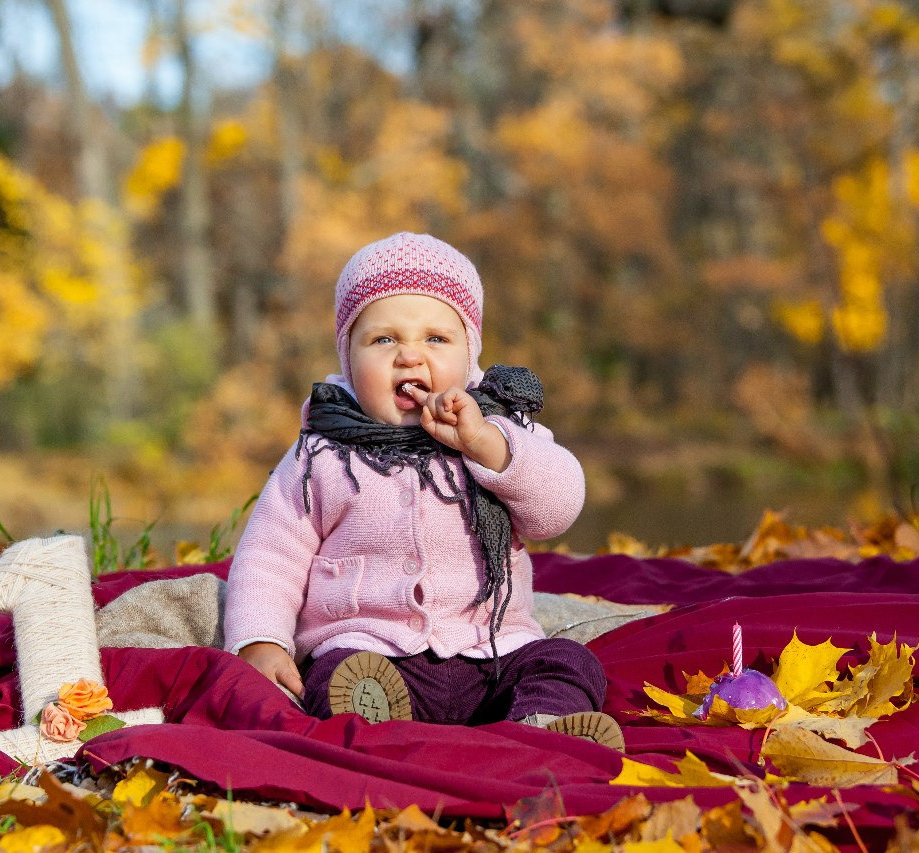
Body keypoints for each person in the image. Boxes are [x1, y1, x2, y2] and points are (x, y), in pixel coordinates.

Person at [222, 232, 622, 747]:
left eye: (436, 339)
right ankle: (377, 724)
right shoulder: (322, 453)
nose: (410, 357)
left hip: (493, 650)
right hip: (374, 648)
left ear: (470, 355)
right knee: (334, 673)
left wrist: (485, 446)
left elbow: (556, 510)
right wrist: (260, 640)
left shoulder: (498, 431)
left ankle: (540, 726)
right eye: (384, 339)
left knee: (568, 661)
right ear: (348, 359)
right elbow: (270, 554)